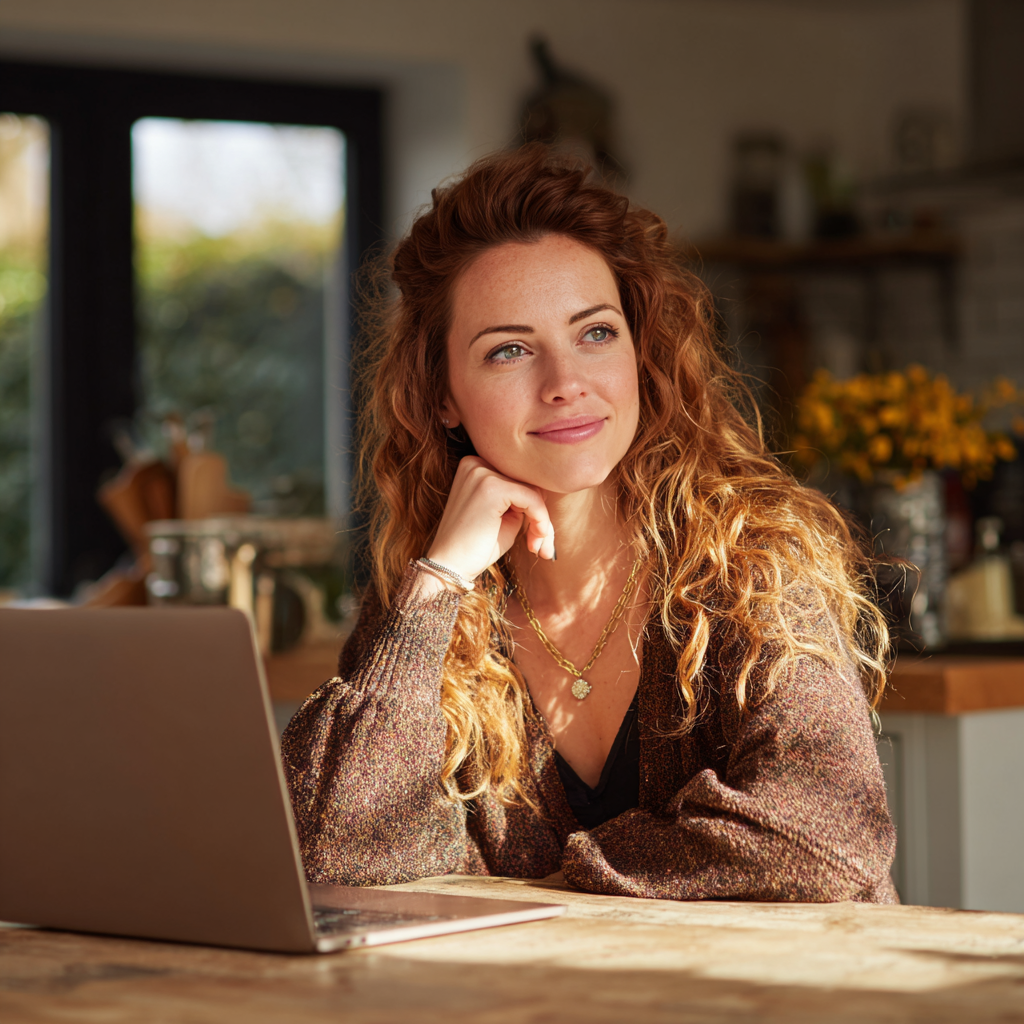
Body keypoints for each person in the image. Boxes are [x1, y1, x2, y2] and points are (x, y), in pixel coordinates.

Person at [281, 145, 898, 903]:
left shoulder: (755, 566)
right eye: (509, 350)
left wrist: (542, 882)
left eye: (596, 333)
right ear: (444, 396)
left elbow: (822, 840)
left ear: (641, 353)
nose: (565, 383)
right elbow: (336, 861)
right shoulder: (431, 610)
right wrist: (436, 586)